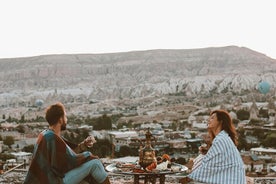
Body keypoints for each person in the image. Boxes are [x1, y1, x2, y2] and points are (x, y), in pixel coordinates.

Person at [24, 102, 110, 184]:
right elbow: (70, 160)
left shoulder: (46, 134)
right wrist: (88, 155)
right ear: (61, 119)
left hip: (49, 179)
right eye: (65, 116)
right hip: (53, 181)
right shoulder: (51, 137)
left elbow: (65, 156)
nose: (66, 119)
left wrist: (83, 145)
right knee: (95, 164)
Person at [181, 109, 245, 184]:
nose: (209, 120)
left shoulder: (221, 139)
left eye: (212, 118)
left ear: (220, 121)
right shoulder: (223, 137)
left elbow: (208, 166)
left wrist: (189, 178)